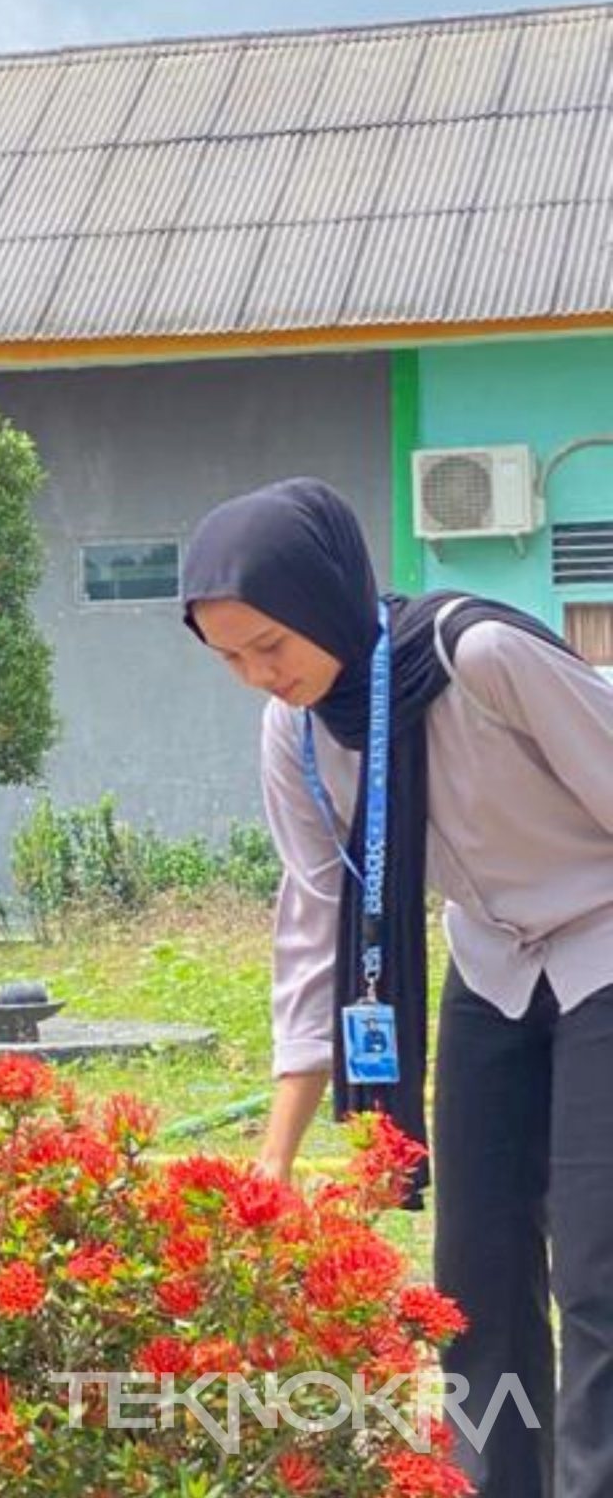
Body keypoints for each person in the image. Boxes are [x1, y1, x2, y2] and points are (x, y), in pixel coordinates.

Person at [181, 476, 613, 1498]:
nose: (256, 675)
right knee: (471, 1272)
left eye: (269, 646)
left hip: (603, 943)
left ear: (323, 598)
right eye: (230, 659)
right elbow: (310, 929)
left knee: (599, 1267)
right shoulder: (293, 733)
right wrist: (273, 1154)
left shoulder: (480, 657)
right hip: (492, 966)